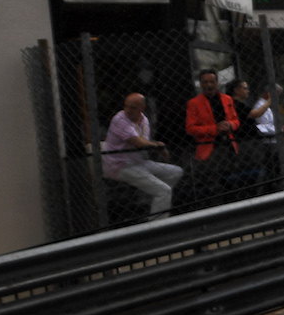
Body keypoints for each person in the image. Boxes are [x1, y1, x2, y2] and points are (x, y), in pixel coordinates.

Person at [103, 92, 182, 219]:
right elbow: (138, 142)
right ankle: (158, 226)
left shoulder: (144, 119)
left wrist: (156, 146)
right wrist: (157, 146)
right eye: (126, 106)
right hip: (121, 166)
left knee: (176, 171)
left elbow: (145, 143)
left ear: (142, 108)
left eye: (133, 107)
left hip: (139, 162)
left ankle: (153, 204)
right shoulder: (120, 119)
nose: (128, 110)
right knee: (164, 191)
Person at [184, 69, 240, 204]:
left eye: (212, 82)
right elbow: (190, 128)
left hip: (228, 146)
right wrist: (215, 129)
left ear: (217, 83)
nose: (209, 85)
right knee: (212, 183)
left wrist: (229, 125)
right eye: (205, 82)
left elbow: (236, 120)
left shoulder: (227, 99)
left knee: (232, 180)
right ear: (201, 84)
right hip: (209, 149)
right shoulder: (194, 103)